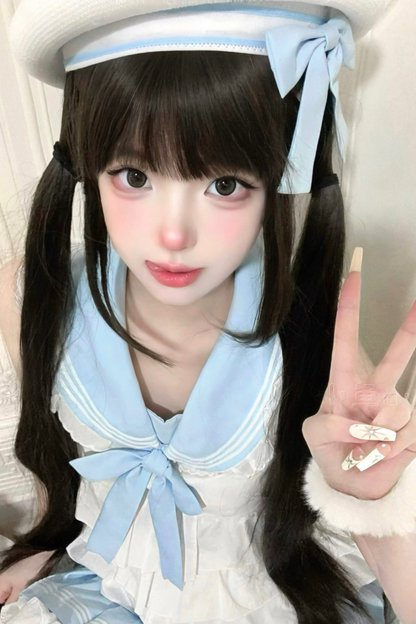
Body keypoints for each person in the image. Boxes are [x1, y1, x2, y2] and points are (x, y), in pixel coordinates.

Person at [0, 0, 415, 622]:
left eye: (225, 184)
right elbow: (53, 457)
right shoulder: (33, 294)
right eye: (133, 175)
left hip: (266, 593)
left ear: (278, 178)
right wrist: (48, 541)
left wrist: (371, 501)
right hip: (109, 581)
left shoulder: (311, 333)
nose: (173, 234)